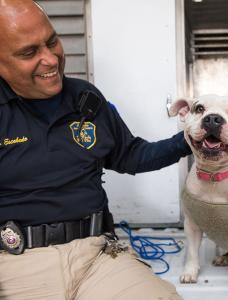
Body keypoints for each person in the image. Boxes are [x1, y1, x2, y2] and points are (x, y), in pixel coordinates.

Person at [0, 1, 191, 299]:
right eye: (29, 52)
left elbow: (130, 155)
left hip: (97, 257)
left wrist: (189, 140)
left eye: (52, 42)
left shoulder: (85, 97)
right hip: (15, 265)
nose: (51, 59)